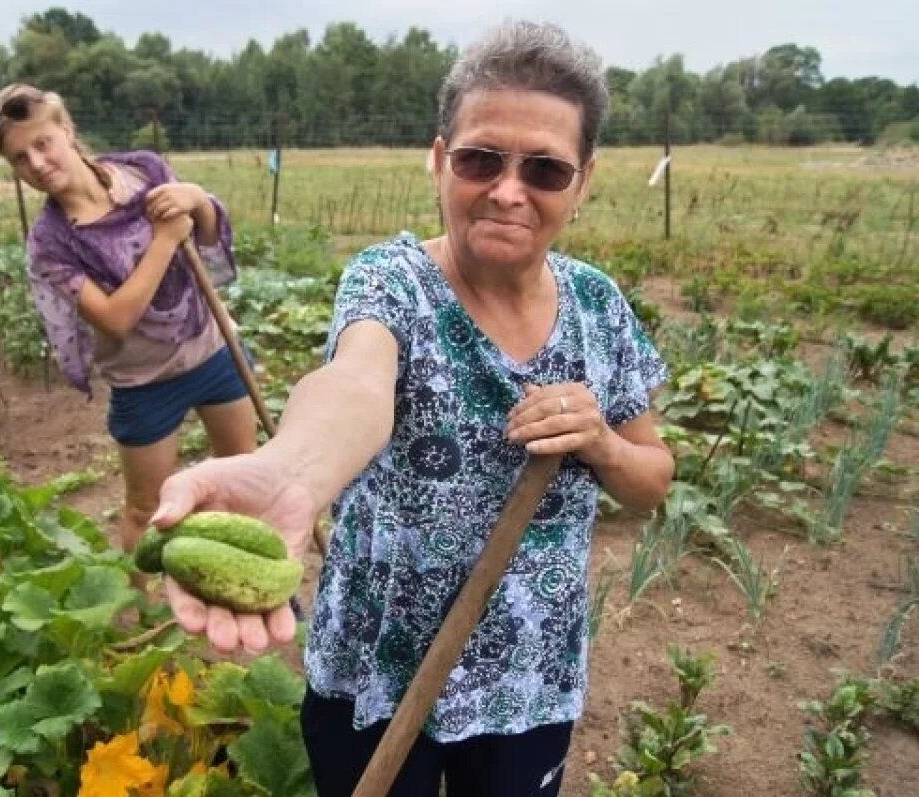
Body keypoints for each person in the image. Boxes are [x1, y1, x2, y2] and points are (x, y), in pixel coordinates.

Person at [151, 20, 674, 797]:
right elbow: (356, 385)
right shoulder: (392, 282)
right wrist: (293, 472)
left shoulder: (598, 307)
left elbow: (652, 478)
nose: (508, 190)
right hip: (376, 666)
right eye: (480, 159)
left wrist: (600, 441)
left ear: (584, 179)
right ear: (438, 160)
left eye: (545, 169)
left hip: (524, 675)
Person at [0, 84, 258, 552]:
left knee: (241, 471)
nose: (38, 164)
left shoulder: (144, 170)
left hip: (212, 350)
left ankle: (247, 577)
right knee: (146, 511)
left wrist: (196, 199)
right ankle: (139, 597)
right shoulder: (51, 244)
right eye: (21, 159)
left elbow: (205, 235)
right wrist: (165, 239)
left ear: (66, 131)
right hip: (145, 383)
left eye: (43, 143)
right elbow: (115, 319)